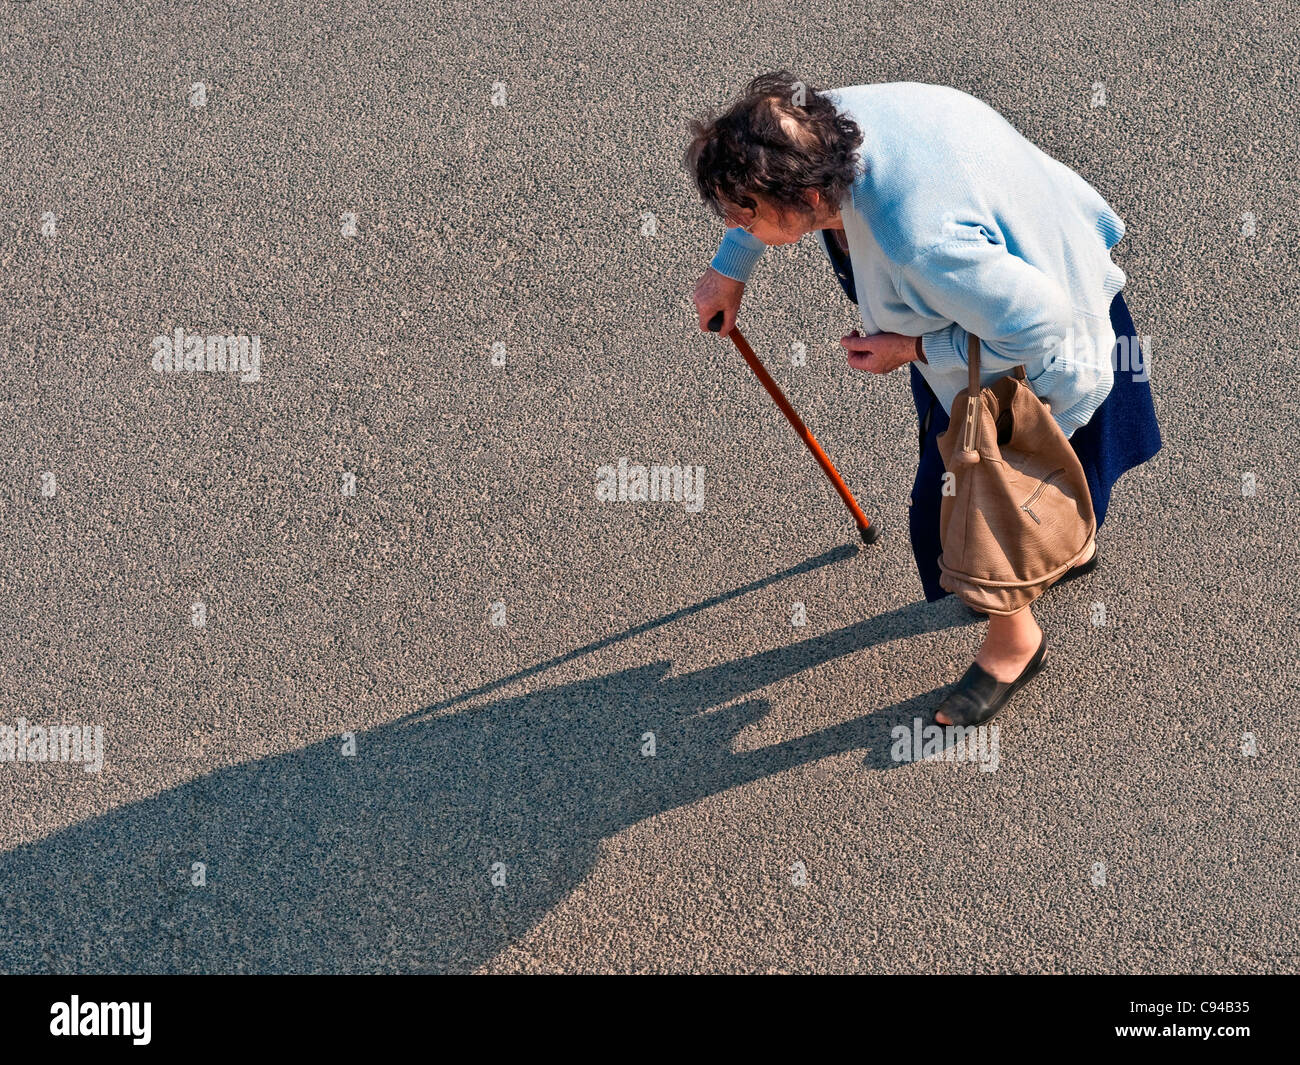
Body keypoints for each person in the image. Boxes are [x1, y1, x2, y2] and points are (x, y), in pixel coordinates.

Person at [686, 72, 1161, 726]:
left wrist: (911, 350)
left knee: (968, 505)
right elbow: (763, 175)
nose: (736, 222)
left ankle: (1015, 643)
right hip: (1018, 272)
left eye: (746, 216)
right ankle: (1063, 546)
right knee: (1048, 483)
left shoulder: (921, 242)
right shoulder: (824, 124)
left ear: (809, 197)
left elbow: (1039, 325)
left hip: (1024, 344)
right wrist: (728, 267)